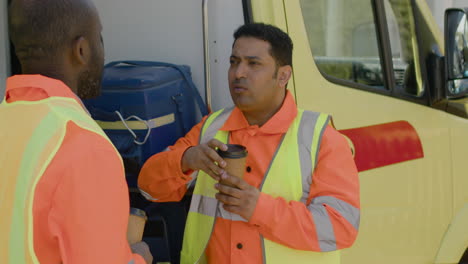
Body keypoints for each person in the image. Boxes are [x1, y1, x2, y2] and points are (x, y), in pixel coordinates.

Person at [138, 23, 360, 264]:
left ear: (283, 75)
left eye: (253, 64)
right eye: (234, 61)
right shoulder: (211, 127)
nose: (238, 73)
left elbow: (341, 227)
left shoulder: (321, 138)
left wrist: (259, 208)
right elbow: (148, 188)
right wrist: (186, 160)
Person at [0, 0, 153, 263]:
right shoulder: (83, 145)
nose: (103, 51)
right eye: (100, 38)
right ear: (81, 49)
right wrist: (137, 257)